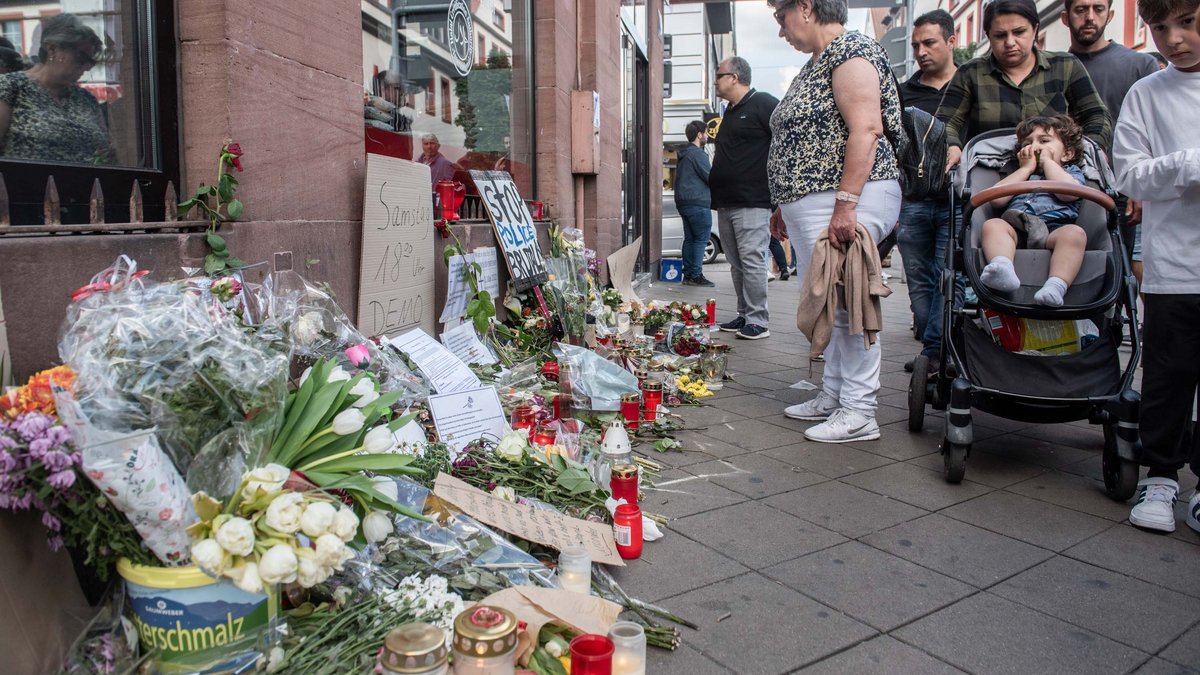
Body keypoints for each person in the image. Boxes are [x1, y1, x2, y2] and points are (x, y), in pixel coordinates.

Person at [766, 0, 904, 443]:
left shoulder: (852, 49)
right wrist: (783, 205)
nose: (779, 28)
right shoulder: (819, 61)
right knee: (833, 301)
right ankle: (835, 394)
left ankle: (859, 410)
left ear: (805, 7)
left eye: (780, 15)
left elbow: (866, 128)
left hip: (846, 198)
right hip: (817, 200)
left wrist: (846, 204)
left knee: (847, 300)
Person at [1114, 0, 1200, 534]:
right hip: (1176, 264)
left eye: (1187, 22)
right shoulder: (1147, 94)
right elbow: (1129, 175)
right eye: (1159, 27)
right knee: (1169, 371)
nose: (1173, 38)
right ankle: (1160, 473)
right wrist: (1191, 163)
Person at [938, 0, 1111, 171]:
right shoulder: (970, 72)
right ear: (988, 35)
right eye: (1000, 35)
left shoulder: (1065, 66)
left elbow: (1096, 115)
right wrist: (952, 146)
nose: (1010, 42)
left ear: (1035, 29)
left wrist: (1091, 149)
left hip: (1056, 174)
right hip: (989, 175)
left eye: (1019, 32)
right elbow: (945, 122)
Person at [1062, 0, 1159, 265]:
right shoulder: (1055, 69)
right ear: (1065, 17)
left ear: (1110, 14)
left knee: (1122, 273)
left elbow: (1152, 130)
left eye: (1098, 8)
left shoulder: (1140, 65)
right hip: (1067, 188)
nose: (1090, 17)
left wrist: (1142, 189)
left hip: (1123, 188)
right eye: (1081, 10)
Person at [897, 9, 958, 374]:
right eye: (916, 44)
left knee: (946, 274)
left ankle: (935, 353)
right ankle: (932, 345)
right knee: (918, 280)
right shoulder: (905, 93)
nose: (921, 51)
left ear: (952, 41)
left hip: (955, 200)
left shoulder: (968, 87)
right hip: (914, 199)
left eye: (930, 42)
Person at [978, 115, 1089, 307]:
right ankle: (1003, 267)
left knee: (1075, 234)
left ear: (1067, 154)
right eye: (1027, 143)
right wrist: (1026, 169)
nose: (1034, 147)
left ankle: (1056, 286)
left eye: (1044, 141)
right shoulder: (1018, 173)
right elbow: (996, 199)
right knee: (993, 225)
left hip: (1054, 231)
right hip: (1017, 228)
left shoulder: (1070, 172)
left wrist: (1048, 163)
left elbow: (1069, 194)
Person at [710, 56, 779, 340]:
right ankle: (744, 315)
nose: (715, 80)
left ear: (735, 77)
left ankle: (759, 321)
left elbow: (784, 141)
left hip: (753, 200)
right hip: (727, 200)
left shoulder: (763, 103)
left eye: (719, 75)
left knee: (752, 260)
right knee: (736, 263)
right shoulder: (729, 111)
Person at [0, 14, 113, 164]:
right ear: (53, 49)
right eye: (81, 57)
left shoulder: (86, 99)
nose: (86, 67)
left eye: (91, 61)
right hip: (28, 185)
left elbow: (107, 152)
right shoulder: (11, 87)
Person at [675, 120, 715, 287]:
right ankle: (696, 275)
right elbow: (710, 177)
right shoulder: (698, 154)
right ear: (699, 134)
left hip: (683, 202)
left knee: (690, 239)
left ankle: (688, 275)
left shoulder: (684, 155)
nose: (706, 135)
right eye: (705, 132)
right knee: (700, 239)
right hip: (698, 202)